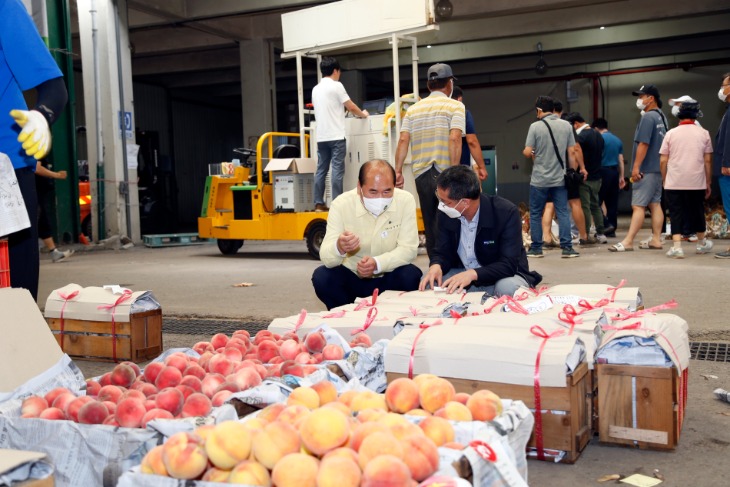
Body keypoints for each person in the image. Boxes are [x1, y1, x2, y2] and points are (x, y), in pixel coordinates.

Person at [2, 0, 68, 300]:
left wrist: (41, 116)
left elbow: (54, 88)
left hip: (5, 170)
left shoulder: (4, 8)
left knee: (15, 296)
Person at [312, 159, 422, 309]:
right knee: (323, 277)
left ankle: (391, 314)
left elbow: (409, 250)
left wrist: (377, 264)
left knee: (411, 275)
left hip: (386, 279)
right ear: (359, 187)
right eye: (373, 192)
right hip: (352, 279)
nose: (380, 199)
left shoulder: (405, 200)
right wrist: (339, 247)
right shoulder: (341, 204)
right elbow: (326, 258)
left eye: (387, 191)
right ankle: (346, 316)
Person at [419, 165, 542, 295]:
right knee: (428, 283)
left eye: (445, 202)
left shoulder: (505, 213)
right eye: (439, 199)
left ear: (465, 202)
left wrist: (473, 274)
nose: (441, 205)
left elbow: (508, 265)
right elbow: (441, 251)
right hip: (464, 273)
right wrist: (436, 265)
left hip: (502, 277)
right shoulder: (446, 213)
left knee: (507, 289)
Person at [395, 63, 465, 259]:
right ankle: (453, 263)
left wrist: (398, 171)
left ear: (429, 85)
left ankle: (435, 265)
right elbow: (455, 138)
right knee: (452, 218)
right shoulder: (456, 106)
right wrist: (455, 172)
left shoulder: (413, 110)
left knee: (430, 221)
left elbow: (403, 140)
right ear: (449, 83)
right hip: (445, 172)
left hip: (421, 174)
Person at [608, 84, 668, 252]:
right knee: (655, 204)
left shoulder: (648, 117)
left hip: (646, 169)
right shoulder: (661, 116)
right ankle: (656, 239)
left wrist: (636, 167)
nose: (639, 100)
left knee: (638, 206)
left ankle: (628, 241)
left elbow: (644, 143)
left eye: (642, 96)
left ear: (651, 98)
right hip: (657, 168)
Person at [522, 95, 580, 258]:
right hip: (560, 178)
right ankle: (567, 248)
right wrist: (571, 170)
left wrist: (534, 152)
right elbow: (571, 151)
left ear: (539, 110)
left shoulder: (535, 127)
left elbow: (528, 151)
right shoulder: (566, 125)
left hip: (539, 179)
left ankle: (536, 248)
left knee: (535, 213)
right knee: (562, 212)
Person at [311, 56, 369, 212]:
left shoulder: (315, 89)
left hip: (321, 137)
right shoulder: (337, 86)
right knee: (337, 170)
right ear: (335, 71)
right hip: (336, 137)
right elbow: (350, 106)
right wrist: (363, 115)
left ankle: (318, 203)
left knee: (321, 170)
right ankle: (336, 204)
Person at [659, 102, 713, 258]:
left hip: (674, 180)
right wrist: (708, 181)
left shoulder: (670, 134)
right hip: (696, 181)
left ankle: (677, 247)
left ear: (679, 116)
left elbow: (663, 161)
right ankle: (701, 244)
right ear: (695, 116)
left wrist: (664, 178)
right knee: (697, 210)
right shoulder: (704, 133)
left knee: (676, 212)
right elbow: (708, 161)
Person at [566, 112, 610, 243]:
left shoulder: (581, 137)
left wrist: (577, 170)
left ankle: (583, 234)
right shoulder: (598, 134)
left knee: (584, 206)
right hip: (597, 176)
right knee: (595, 205)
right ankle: (601, 233)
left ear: (576, 124)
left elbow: (576, 152)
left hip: (585, 177)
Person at [35, 160, 74, 262]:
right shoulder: (34, 148)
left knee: (41, 222)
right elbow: (36, 167)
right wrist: (57, 175)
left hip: (38, 192)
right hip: (34, 192)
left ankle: (53, 252)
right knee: (40, 221)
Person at [592, 118, 625, 236]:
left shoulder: (598, 139)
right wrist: (621, 176)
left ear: (596, 128)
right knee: (612, 203)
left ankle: (605, 225)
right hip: (614, 172)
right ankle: (612, 230)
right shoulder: (617, 140)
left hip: (601, 171)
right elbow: (620, 159)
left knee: (595, 201)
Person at [451, 86, 488, 181]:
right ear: (460, 98)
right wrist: (482, 167)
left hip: (437, 169)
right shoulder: (464, 113)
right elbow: (471, 141)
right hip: (460, 170)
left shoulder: (439, 114)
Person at [714, 72, 730, 259]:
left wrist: (726, 162)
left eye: (724, 85)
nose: (722, 89)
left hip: (727, 168)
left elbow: (728, 139)